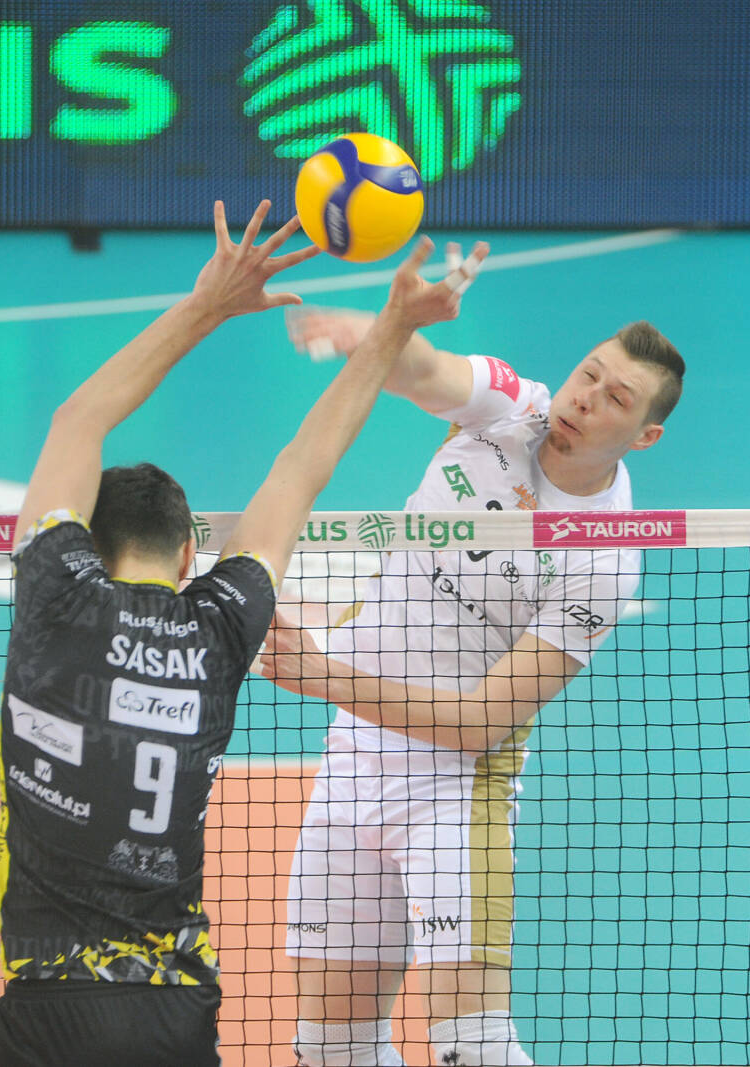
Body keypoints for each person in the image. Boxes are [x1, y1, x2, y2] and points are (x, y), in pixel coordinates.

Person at [0, 200, 489, 1067]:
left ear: (82, 538)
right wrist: (392, 328)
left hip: (45, 1008)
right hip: (173, 1013)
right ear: (190, 555)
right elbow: (302, 466)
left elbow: (77, 419)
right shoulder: (221, 626)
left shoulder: (53, 592)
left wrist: (207, 302)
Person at [260, 280, 685, 1067]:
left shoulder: (604, 558)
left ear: (645, 434)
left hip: (456, 791)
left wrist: (324, 677)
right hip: (351, 764)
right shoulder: (512, 404)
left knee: (473, 1050)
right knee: (330, 1051)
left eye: (616, 398)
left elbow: (482, 722)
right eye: (589, 374)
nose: (585, 398)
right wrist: (381, 330)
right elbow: (426, 370)